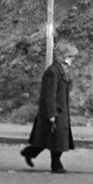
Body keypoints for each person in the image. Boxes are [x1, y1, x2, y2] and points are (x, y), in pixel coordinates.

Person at [20, 42, 78, 173]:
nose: (72, 59)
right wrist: (51, 114)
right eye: (70, 56)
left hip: (60, 111)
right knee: (56, 140)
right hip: (55, 112)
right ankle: (56, 164)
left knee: (48, 139)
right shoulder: (52, 72)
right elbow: (48, 95)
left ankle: (29, 153)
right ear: (63, 56)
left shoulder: (61, 70)